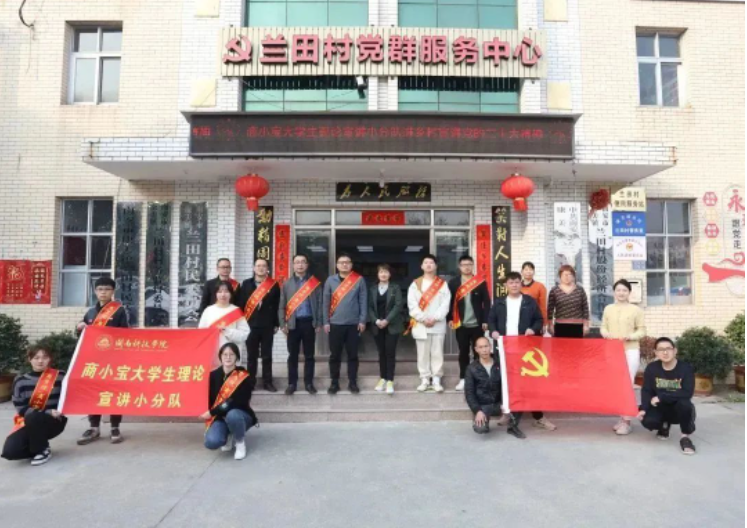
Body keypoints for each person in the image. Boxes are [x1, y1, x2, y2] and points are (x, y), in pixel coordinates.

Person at [488, 271, 556, 431]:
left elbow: (539, 320)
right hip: (505, 350)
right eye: (511, 282)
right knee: (506, 383)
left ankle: (538, 417)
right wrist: (493, 331)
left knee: (530, 383)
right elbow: (491, 320)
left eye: (517, 282)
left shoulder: (529, 301)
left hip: (526, 351)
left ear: (521, 284)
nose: (514, 285)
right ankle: (507, 413)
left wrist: (533, 329)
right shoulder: (499, 303)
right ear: (506, 285)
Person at [75, 276, 129, 445]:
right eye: (100, 289)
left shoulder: (119, 311)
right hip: (93, 361)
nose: (103, 292)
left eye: (107, 289)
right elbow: (81, 336)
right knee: (93, 393)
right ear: (95, 291)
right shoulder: (90, 312)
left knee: (114, 393)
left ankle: (115, 427)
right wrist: (79, 328)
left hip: (113, 361)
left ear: (113, 291)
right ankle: (94, 427)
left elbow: (126, 335)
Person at [2, 346, 67, 466]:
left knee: (34, 416)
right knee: (10, 452)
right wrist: (46, 412)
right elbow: (22, 410)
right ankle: (39, 444)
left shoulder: (60, 376)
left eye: (44, 357)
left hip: (54, 421)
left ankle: (42, 450)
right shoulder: (20, 381)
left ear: (50, 359)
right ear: (29, 359)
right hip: (30, 421)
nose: (40, 361)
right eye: (36, 358)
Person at [601, 279, 646, 435]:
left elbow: (642, 330)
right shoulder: (608, 309)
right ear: (614, 292)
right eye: (618, 290)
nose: (621, 293)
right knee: (616, 385)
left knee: (628, 384)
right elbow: (603, 327)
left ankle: (627, 422)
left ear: (629, 292)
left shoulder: (636, 310)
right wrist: (606, 334)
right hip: (612, 350)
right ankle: (621, 417)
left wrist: (630, 336)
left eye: (624, 290)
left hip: (630, 350)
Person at [638, 337, 697, 455]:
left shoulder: (686, 368)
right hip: (660, 406)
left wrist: (662, 397)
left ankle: (685, 437)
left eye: (668, 349)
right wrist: (644, 408)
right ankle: (664, 425)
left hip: (678, 406)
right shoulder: (652, 368)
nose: (665, 352)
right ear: (656, 353)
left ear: (675, 351)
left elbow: (687, 392)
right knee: (648, 420)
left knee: (685, 404)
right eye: (660, 350)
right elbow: (646, 390)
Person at [199, 343, 257, 461]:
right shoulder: (213, 375)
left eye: (232, 354)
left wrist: (212, 412)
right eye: (225, 354)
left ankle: (240, 443)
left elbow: (236, 402)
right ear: (220, 356)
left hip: (240, 415)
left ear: (237, 357)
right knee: (211, 442)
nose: (228, 357)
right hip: (220, 417)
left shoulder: (243, 376)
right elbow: (206, 398)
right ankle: (228, 434)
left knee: (233, 414)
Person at [323, 253, 367, 394]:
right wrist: (325, 321)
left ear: (351, 265)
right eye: (341, 262)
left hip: (353, 324)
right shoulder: (330, 280)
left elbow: (363, 301)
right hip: (335, 324)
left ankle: (352, 382)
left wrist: (362, 320)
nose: (344, 264)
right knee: (335, 355)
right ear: (337, 265)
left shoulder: (359, 280)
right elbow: (325, 302)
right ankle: (334, 382)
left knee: (353, 355)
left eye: (347, 262)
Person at [464, 337, 525, 439]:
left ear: (490, 347)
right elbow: (469, 393)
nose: (484, 350)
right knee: (481, 429)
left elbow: (511, 382)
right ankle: (483, 419)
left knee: (520, 396)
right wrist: (477, 411)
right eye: (481, 347)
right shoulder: (471, 368)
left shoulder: (500, 363)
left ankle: (512, 427)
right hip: (483, 405)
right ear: (476, 349)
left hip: (499, 403)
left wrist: (506, 402)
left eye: (486, 346)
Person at [279, 254, 323, 395]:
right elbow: (281, 305)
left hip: (309, 322)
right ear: (293, 265)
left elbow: (320, 304)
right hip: (293, 324)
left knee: (309, 355)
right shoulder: (287, 284)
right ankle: (292, 383)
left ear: (307, 265)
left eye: (303, 262)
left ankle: (309, 383)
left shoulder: (314, 283)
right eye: (297, 262)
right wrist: (282, 323)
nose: (300, 265)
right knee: (293, 355)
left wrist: (318, 322)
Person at [407, 254, 451, 393]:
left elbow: (445, 304)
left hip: (437, 324)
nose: (428, 265)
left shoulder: (442, 284)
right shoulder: (415, 284)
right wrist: (423, 318)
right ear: (421, 266)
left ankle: (436, 379)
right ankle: (425, 379)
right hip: (421, 324)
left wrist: (435, 318)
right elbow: (412, 304)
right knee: (422, 353)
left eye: (431, 262)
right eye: (426, 262)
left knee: (437, 353)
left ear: (436, 266)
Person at [447, 255, 491, 392]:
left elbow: (487, 302)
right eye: (464, 265)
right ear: (459, 267)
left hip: (477, 324)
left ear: (473, 266)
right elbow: (449, 302)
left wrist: (486, 320)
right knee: (463, 352)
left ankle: (479, 378)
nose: (467, 267)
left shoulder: (480, 281)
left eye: (469, 264)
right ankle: (463, 378)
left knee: (479, 352)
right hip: (461, 324)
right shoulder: (453, 282)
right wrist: (450, 318)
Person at [237, 258, 280, 392]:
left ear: (267, 269)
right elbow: (241, 304)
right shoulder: (246, 284)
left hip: (267, 325)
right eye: (258, 265)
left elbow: (277, 306)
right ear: (253, 268)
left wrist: (276, 324)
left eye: (263, 266)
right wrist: (241, 323)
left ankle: (268, 382)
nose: (261, 268)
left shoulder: (273, 285)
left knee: (267, 355)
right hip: (250, 325)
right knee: (252, 356)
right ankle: (251, 382)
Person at [368, 264, 405, 395]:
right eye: (381, 272)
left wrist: (387, 320)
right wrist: (376, 320)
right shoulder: (372, 289)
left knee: (390, 352)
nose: (383, 274)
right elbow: (369, 307)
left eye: (386, 272)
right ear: (377, 274)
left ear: (390, 274)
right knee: (381, 352)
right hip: (377, 325)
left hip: (392, 325)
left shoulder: (395, 287)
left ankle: (390, 380)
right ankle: (382, 378)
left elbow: (398, 305)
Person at [198, 281, 250, 368]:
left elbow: (244, 334)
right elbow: (201, 334)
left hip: (231, 355)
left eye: (226, 291)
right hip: (212, 354)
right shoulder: (208, 311)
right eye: (220, 291)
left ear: (230, 294)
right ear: (215, 294)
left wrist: (228, 331)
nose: (223, 294)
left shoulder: (236, 311)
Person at [547, 264, 590, 337]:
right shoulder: (554, 290)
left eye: (569, 274)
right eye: (564, 274)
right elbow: (550, 309)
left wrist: (586, 325)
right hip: (560, 326)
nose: (566, 277)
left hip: (578, 326)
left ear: (573, 276)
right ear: (560, 276)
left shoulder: (580, 290)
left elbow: (585, 308)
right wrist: (550, 325)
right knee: (560, 344)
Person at [520, 261, 548, 333]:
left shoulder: (540, 286)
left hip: (535, 321)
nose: (528, 272)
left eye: (531, 269)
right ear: (522, 272)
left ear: (534, 272)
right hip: (519, 321)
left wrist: (544, 324)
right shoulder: (517, 286)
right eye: (526, 269)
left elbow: (543, 306)